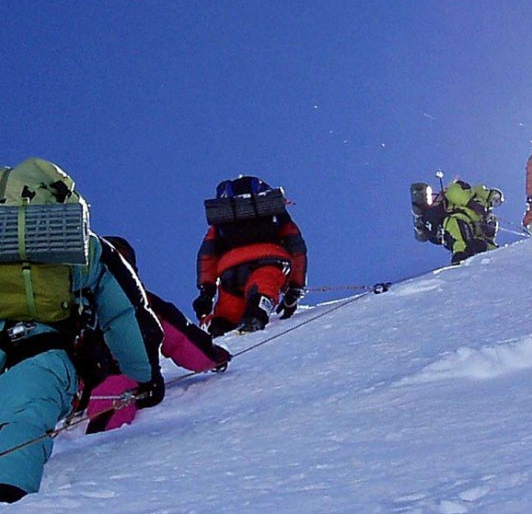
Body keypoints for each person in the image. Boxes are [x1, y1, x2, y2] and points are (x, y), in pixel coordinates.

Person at [0, 158, 161, 503]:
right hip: (43, 349)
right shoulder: (81, 245)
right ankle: (8, 497)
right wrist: (144, 373)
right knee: (25, 417)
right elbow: (124, 312)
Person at [80, 236, 232, 434]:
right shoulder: (144, 302)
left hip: (74, 382)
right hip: (121, 375)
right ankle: (98, 448)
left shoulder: (76, 300)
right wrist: (213, 357)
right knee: (110, 406)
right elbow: (182, 338)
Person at [193, 175, 308, 337]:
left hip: (230, 271)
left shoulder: (221, 222)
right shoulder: (277, 214)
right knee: (262, 286)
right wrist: (295, 287)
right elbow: (296, 248)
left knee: (228, 311)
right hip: (270, 259)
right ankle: (256, 315)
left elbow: (207, 255)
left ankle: (216, 330)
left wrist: (206, 291)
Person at [412, 178, 504, 265]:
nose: (495, 202)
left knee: (475, 244)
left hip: (468, 232)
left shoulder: (487, 215)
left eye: (498, 202)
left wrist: (489, 237)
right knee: (462, 235)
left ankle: (467, 263)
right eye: (495, 198)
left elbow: (488, 241)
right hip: (456, 220)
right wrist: (471, 203)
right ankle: (460, 258)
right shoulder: (474, 192)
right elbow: (453, 191)